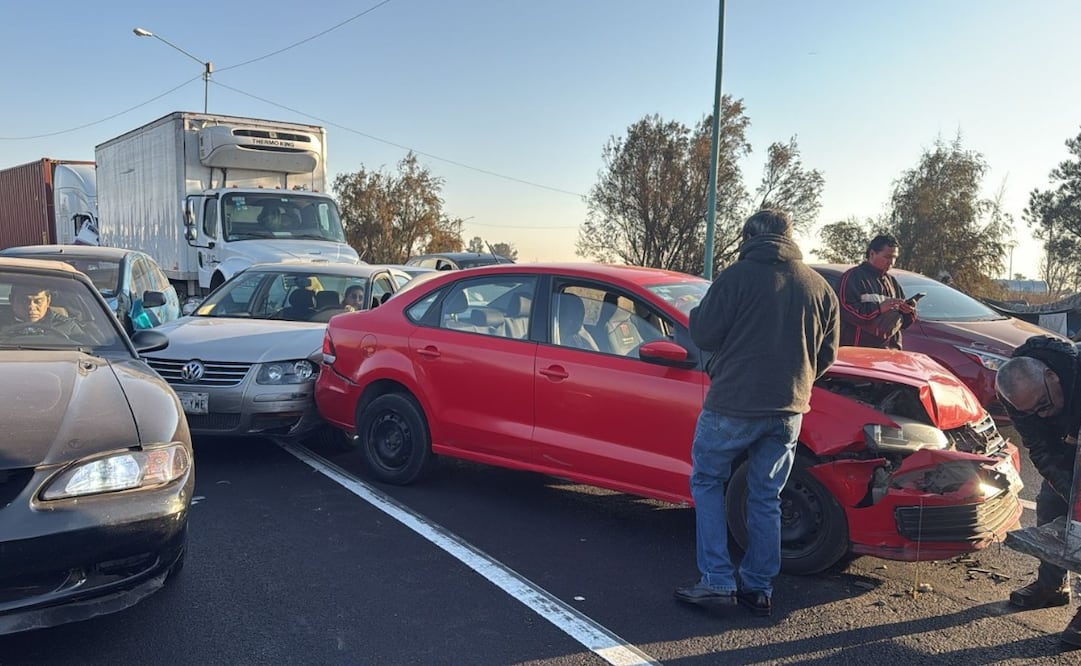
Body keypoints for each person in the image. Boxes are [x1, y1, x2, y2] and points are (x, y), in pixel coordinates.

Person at [675, 209, 840, 617]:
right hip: (788, 410)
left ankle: (716, 579)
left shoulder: (734, 277)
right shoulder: (819, 287)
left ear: (749, 237)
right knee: (766, 495)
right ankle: (758, 586)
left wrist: (699, 313)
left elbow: (703, 333)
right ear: (790, 236)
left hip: (733, 402)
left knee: (708, 480)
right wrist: (797, 383)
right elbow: (827, 355)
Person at [995, 335, 1081, 648]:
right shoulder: (1017, 391)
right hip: (1068, 448)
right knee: (1048, 503)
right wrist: (1067, 490)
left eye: (1044, 405)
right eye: (1032, 411)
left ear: (1053, 375)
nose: (1041, 415)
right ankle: (1052, 587)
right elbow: (1040, 447)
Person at [837, 234, 916, 349]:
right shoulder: (852, 277)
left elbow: (902, 323)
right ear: (872, 254)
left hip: (889, 352)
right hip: (858, 351)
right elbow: (846, 310)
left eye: (894, 257)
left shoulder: (892, 283)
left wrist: (908, 312)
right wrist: (878, 309)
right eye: (887, 257)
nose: (891, 262)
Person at [6, 284, 86, 338]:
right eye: (24, 301)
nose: (31, 306)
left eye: (38, 302)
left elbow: (85, 351)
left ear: (48, 301)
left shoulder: (67, 327)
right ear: (11, 300)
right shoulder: (2, 323)